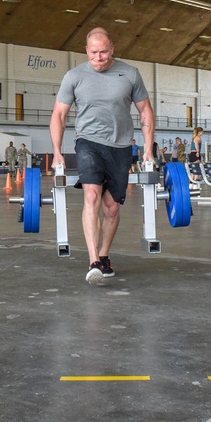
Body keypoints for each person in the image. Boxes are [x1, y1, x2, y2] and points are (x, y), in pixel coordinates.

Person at [49, 28, 155, 285]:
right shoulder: (74, 76)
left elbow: (145, 112)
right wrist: (57, 152)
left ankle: (105, 256)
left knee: (110, 208)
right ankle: (93, 260)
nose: (99, 57)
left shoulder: (130, 74)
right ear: (86, 51)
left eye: (104, 52)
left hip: (120, 147)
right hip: (88, 143)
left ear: (112, 49)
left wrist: (148, 149)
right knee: (92, 195)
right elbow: (59, 116)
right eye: (94, 52)